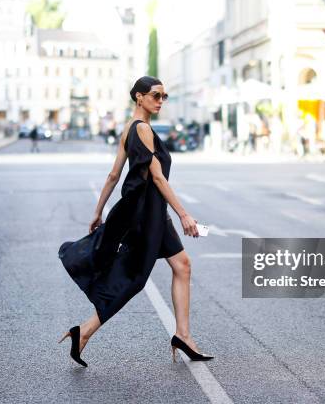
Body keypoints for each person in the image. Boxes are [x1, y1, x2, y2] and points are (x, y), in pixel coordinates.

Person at [58, 76, 214, 367]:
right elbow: (156, 176)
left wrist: (98, 210)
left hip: (151, 211)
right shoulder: (141, 129)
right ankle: (85, 332)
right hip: (146, 214)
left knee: (182, 265)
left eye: (164, 96)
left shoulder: (129, 128)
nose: (161, 101)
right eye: (156, 95)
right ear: (139, 97)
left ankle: (183, 335)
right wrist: (184, 214)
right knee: (133, 280)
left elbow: (113, 175)